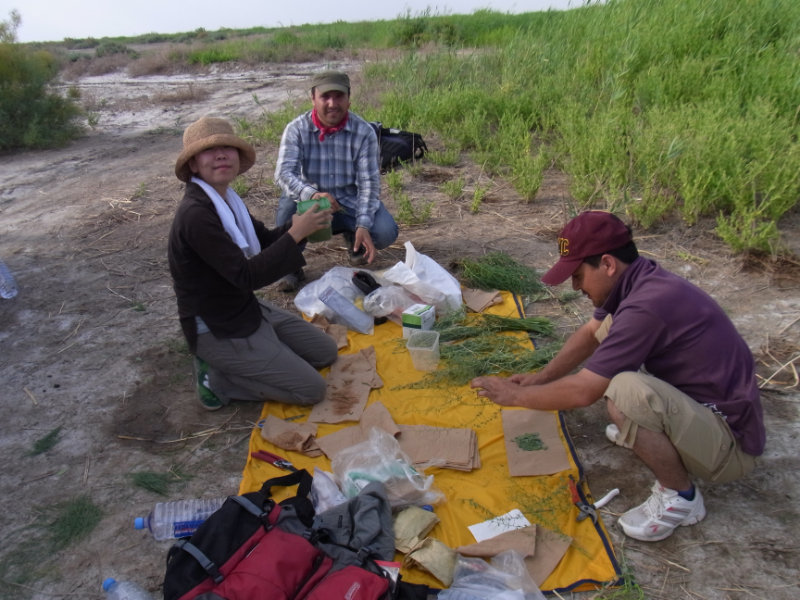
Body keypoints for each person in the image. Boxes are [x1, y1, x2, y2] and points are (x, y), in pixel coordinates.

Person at [471, 211, 765, 542]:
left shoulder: (646, 306)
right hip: (704, 409)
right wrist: (541, 378)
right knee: (610, 331)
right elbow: (592, 331)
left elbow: (584, 392)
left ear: (608, 264)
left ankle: (682, 497)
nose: (575, 285)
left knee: (623, 392)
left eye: (579, 275)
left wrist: (513, 397)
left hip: (730, 445)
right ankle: (650, 434)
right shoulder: (638, 279)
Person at [168, 116, 338, 411]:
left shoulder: (227, 200)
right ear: (193, 164)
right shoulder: (196, 215)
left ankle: (261, 354)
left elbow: (266, 241)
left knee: (325, 352)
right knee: (311, 390)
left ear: (237, 157)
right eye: (209, 150)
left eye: (227, 147)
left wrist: (300, 225)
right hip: (216, 325)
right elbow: (246, 276)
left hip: (243, 308)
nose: (221, 154)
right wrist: (297, 232)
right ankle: (219, 378)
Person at [274, 70, 399, 290]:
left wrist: (363, 224)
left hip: (348, 201)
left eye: (339, 96)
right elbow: (284, 174)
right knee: (286, 212)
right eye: (325, 97)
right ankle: (289, 268)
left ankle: (354, 238)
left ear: (349, 99)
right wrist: (312, 194)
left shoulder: (363, 132)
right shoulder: (296, 129)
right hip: (310, 201)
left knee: (385, 231)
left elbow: (369, 184)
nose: (333, 103)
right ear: (313, 98)